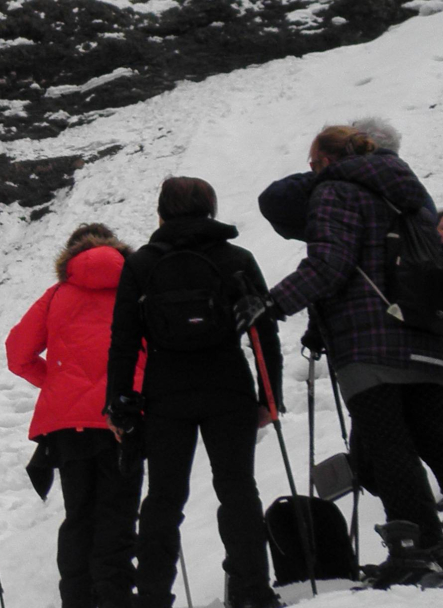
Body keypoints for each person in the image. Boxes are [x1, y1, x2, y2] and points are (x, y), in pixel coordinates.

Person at [239, 125, 443, 586]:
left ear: (328, 162)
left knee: (387, 444)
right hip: (427, 335)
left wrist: (272, 304)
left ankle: (415, 552)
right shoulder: (413, 195)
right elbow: (376, 262)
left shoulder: (335, 190)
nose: (310, 173)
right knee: (440, 443)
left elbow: (331, 264)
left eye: (313, 163)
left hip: (369, 337)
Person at [107, 177, 283, 608]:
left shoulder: (143, 264)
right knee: (237, 488)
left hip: (166, 391)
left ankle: (151, 597)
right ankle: (253, 592)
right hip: (229, 385)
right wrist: (269, 398)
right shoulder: (236, 258)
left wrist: (118, 403)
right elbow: (264, 332)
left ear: (162, 211)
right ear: (210, 208)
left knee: (164, 498)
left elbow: (124, 340)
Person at [7, 224, 146, 608]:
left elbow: (17, 353)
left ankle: (77, 601)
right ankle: (115, 599)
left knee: (79, 516)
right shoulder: (136, 291)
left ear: (71, 257)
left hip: (70, 428)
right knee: (118, 516)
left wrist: (57, 383)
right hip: (124, 418)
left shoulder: (55, 296)